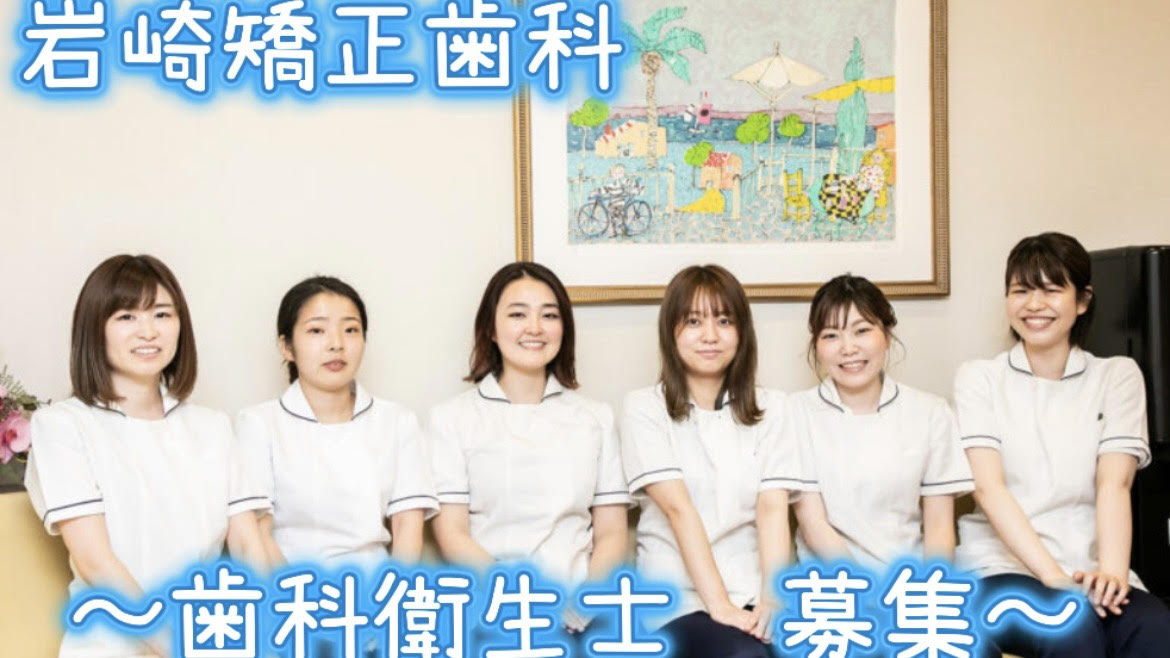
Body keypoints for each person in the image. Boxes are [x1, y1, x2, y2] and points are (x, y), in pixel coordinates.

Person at [25, 254, 268, 657]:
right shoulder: (62, 425)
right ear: (95, 328)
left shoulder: (212, 426)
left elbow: (247, 545)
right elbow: (95, 562)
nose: (149, 331)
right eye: (126, 316)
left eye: (162, 314)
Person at [956, 232, 1170, 657]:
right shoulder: (980, 378)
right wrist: (1053, 578)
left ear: (1083, 300)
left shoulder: (1117, 376)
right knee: (1069, 626)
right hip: (999, 570)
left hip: (1089, 566)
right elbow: (988, 489)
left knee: (1155, 626)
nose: (1034, 304)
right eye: (1021, 291)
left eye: (1051, 290)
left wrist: (1111, 575)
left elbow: (1115, 484)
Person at [429, 262, 631, 634]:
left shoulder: (595, 418)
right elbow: (452, 535)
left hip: (581, 615)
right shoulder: (452, 419)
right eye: (518, 314)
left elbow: (612, 533)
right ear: (490, 328)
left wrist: (581, 607)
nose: (535, 328)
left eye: (549, 315)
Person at [620, 264, 798, 658]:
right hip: (678, 600)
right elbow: (678, 510)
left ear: (742, 331)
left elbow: (772, 509)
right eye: (693, 321)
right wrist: (720, 605)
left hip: (753, 590)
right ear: (671, 331)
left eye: (724, 320)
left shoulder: (774, 407)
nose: (710, 335)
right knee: (743, 654)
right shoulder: (644, 408)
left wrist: (771, 600)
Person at [236, 276, 436, 570]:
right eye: (317, 330)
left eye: (350, 330)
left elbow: (407, 526)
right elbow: (259, 531)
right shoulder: (258, 424)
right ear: (287, 347)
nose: (337, 344)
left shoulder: (397, 421)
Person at [790, 274, 973, 569]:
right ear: (817, 345)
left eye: (861, 330)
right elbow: (814, 527)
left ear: (887, 335)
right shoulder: (795, 413)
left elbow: (939, 527)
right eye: (831, 335)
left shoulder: (930, 412)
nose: (848, 348)